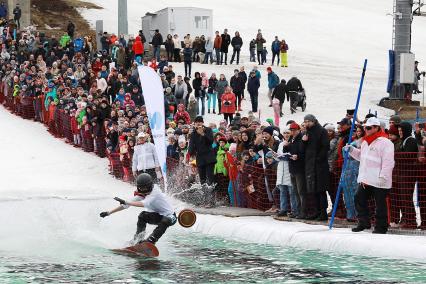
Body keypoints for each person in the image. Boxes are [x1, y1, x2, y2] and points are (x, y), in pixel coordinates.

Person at [345, 117, 395, 234]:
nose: (366, 130)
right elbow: (362, 157)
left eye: (368, 128)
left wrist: (384, 176)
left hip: (379, 179)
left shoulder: (386, 142)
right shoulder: (365, 142)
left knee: (380, 204)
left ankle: (381, 227)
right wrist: (352, 150)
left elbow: (388, 161)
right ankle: (363, 222)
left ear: (376, 128)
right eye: (365, 128)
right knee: (359, 198)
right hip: (366, 178)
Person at [100, 173, 176, 245]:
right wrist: (109, 212)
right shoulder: (142, 194)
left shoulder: (155, 192)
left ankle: (151, 241)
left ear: (149, 186)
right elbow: (125, 205)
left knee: (166, 220)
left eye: (144, 188)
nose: (142, 190)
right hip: (158, 216)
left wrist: (126, 202)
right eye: (140, 188)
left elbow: (144, 204)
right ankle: (137, 239)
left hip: (171, 217)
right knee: (142, 215)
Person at [303, 114, 330, 221]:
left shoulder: (322, 131)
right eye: (305, 121)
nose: (307, 123)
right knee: (312, 190)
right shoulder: (307, 132)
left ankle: (323, 213)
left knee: (320, 190)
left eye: (308, 121)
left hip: (320, 166)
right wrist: (304, 141)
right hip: (310, 165)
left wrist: (318, 159)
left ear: (314, 121)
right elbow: (305, 149)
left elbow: (325, 147)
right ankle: (316, 211)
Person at [188, 116, 216, 185]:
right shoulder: (193, 134)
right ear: (194, 124)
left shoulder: (208, 130)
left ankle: (211, 194)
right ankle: (204, 194)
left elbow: (211, 141)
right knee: (202, 180)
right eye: (196, 122)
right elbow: (191, 146)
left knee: (210, 178)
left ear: (203, 123)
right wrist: (191, 154)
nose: (198, 123)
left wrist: (203, 134)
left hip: (209, 158)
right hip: (200, 159)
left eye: (200, 122)